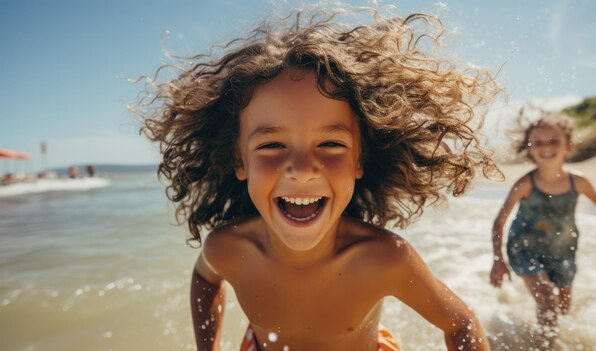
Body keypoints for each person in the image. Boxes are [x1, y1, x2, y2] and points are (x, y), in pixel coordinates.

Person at [140, 9, 501, 351]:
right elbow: (205, 279)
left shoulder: (385, 259)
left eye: (330, 143)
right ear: (240, 160)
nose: (301, 168)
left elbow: (461, 324)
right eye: (271, 145)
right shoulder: (227, 248)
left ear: (360, 158)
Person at [489, 112, 596, 347]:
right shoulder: (525, 184)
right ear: (529, 149)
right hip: (524, 248)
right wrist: (498, 259)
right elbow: (500, 220)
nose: (546, 147)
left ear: (568, 147)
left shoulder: (579, 182)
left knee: (562, 308)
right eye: (538, 142)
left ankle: (549, 336)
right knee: (547, 303)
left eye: (554, 141)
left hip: (563, 250)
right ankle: (546, 346)